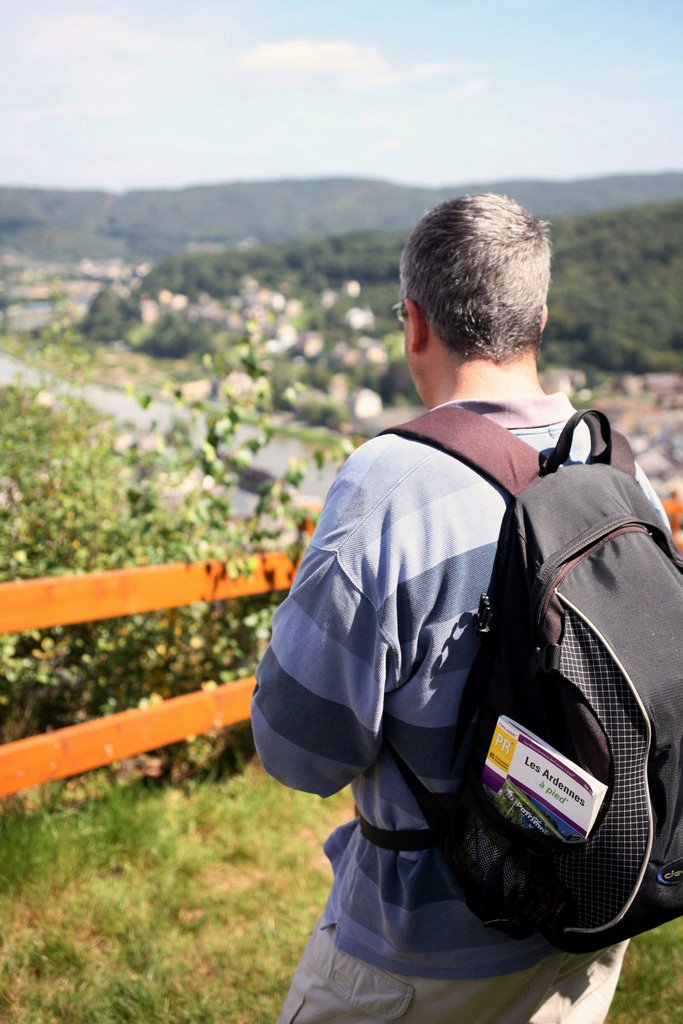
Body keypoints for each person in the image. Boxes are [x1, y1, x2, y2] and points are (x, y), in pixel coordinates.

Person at [251, 193, 663, 1023]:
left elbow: (300, 752)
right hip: (591, 913)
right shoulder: (620, 472)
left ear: (413, 322)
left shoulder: (387, 487)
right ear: (538, 319)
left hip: (420, 956)